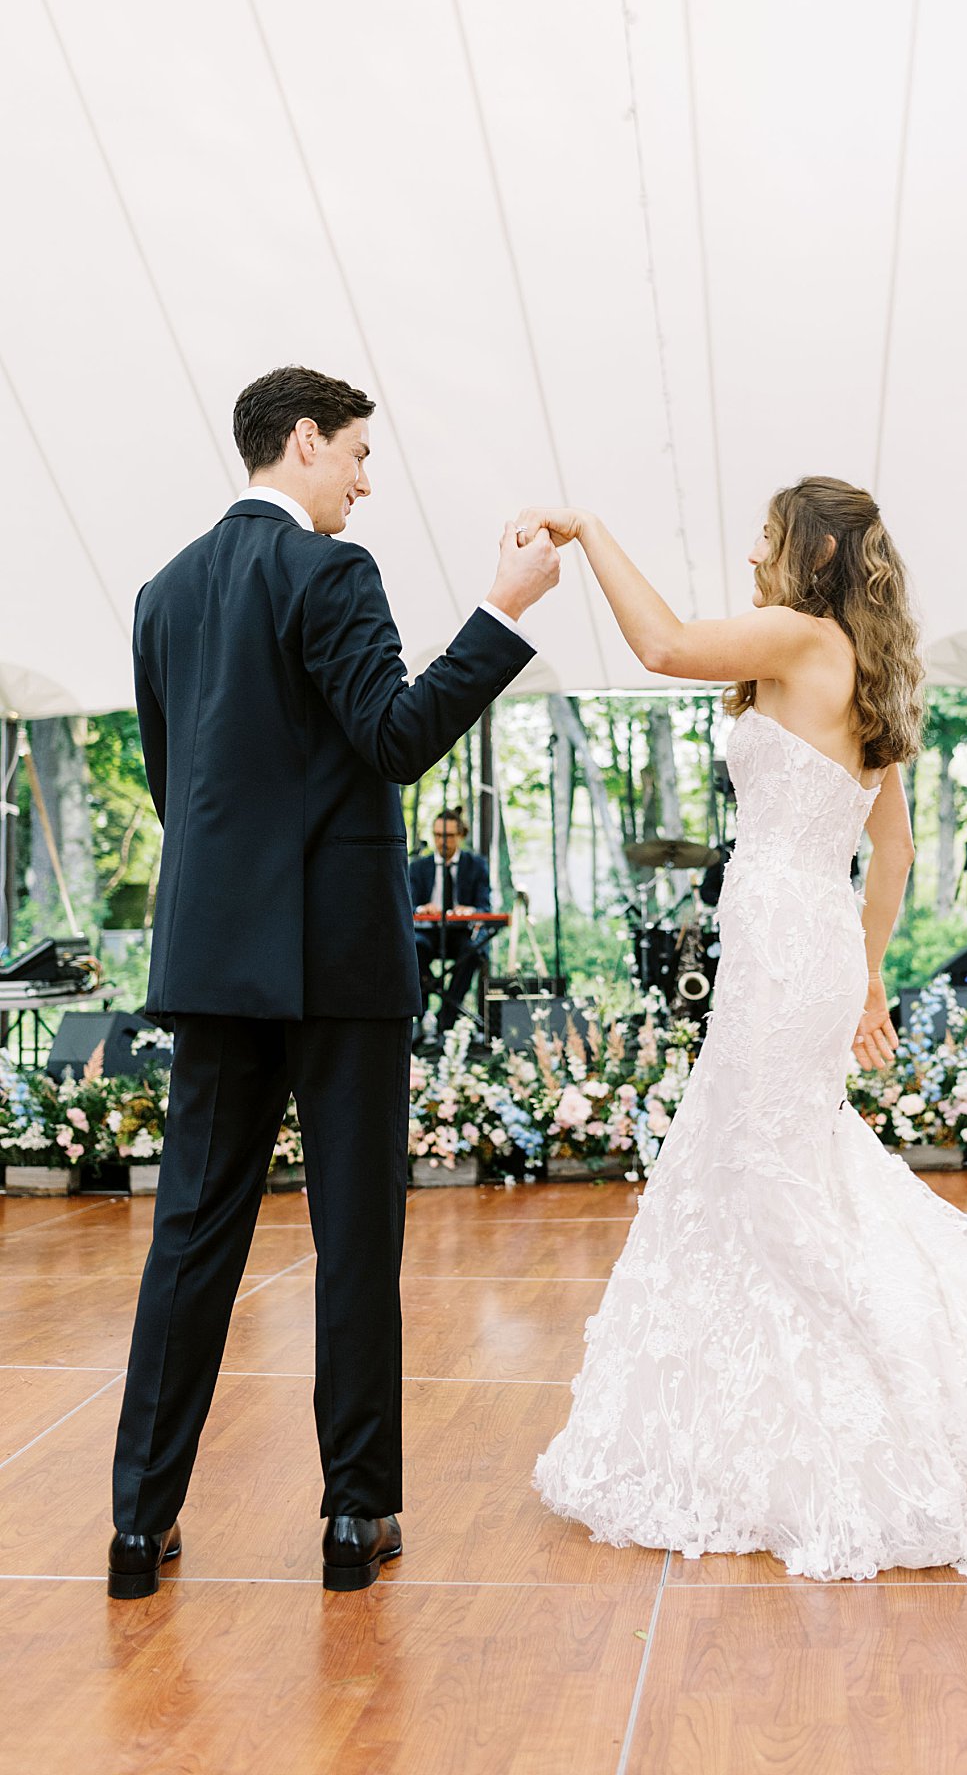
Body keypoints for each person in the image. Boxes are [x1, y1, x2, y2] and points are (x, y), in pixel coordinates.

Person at [518, 478, 967, 1589]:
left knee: (765, 1173)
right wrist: (865, 983)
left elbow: (661, 645)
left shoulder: (795, 635)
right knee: (778, 1159)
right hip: (814, 938)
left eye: (766, 534)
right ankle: (774, 1411)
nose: (754, 549)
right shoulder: (870, 671)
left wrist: (591, 529)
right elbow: (892, 855)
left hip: (775, 935)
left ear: (807, 549)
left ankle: (893, 1406)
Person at [108, 366, 557, 1599]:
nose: (366, 477)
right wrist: (501, 610)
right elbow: (398, 737)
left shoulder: (163, 592)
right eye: (357, 451)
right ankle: (355, 1519)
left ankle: (138, 1527)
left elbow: (172, 778)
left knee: (190, 1240)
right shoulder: (331, 572)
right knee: (356, 1241)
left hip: (211, 957)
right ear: (302, 440)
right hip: (340, 967)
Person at [410, 808, 493, 1033]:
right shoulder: (418, 867)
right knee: (412, 949)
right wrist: (421, 908)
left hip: (460, 933)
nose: (442, 841)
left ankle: (447, 1017)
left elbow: (486, 907)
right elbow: (407, 905)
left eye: (447, 836)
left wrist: (470, 910)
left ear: (460, 836)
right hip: (427, 932)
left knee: (474, 951)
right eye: (437, 835)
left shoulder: (476, 865)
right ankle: (420, 1015)